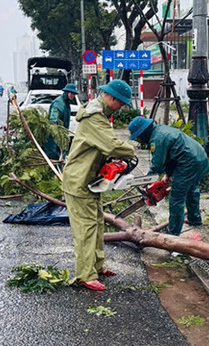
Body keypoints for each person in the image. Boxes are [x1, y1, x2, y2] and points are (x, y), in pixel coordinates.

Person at [62, 79, 135, 292]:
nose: (121, 107)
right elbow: (111, 144)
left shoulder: (101, 115)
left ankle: (97, 266)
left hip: (91, 179)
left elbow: (104, 147)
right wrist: (131, 150)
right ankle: (85, 274)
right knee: (85, 228)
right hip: (79, 180)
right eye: (120, 103)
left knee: (97, 223)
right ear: (110, 97)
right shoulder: (95, 117)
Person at [129, 116, 209, 237]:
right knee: (192, 189)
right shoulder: (161, 130)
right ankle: (195, 219)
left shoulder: (157, 139)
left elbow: (157, 165)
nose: (139, 141)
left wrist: (146, 181)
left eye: (139, 138)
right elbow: (172, 156)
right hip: (200, 157)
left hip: (189, 163)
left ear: (143, 132)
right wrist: (167, 175)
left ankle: (173, 234)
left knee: (176, 199)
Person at [43, 84, 78, 161]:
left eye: (74, 94)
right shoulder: (59, 103)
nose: (72, 95)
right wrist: (59, 135)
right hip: (54, 137)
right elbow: (53, 121)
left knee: (61, 157)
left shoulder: (67, 103)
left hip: (61, 136)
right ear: (66, 92)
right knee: (53, 157)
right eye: (71, 93)